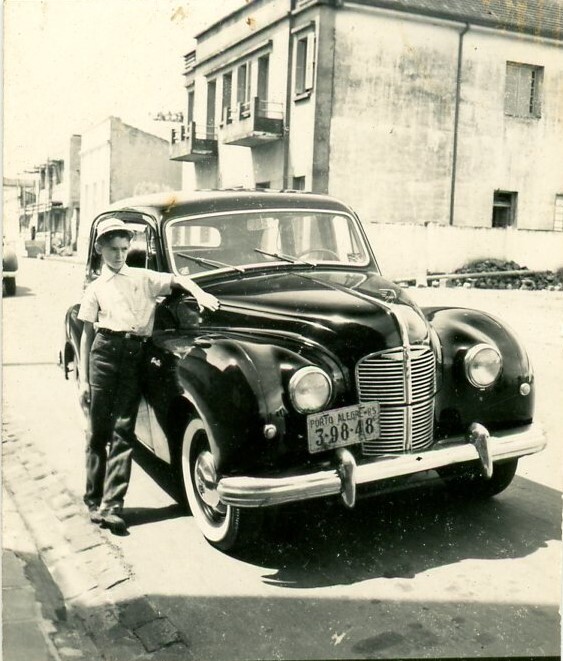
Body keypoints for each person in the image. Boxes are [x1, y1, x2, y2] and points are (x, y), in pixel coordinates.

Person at [77, 217, 220, 534]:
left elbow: (178, 279)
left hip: (134, 355)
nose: (119, 255)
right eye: (113, 249)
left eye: (123, 248)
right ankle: (93, 500)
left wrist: (200, 294)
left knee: (123, 428)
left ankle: (112, 506)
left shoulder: (143, 278)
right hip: (104, 353)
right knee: (98, 431)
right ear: (100, 249)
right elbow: (87, 334)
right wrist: (84, 380)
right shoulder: (96, 288)